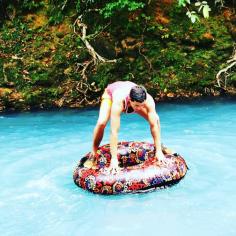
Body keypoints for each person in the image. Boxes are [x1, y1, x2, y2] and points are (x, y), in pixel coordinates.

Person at [91, 81, 165, 174]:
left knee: (156, 119)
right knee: (101, 122)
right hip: (110, 95)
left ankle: (159, 147)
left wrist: (158, 151)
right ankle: (93, 152)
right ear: (130, 99)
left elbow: (153, 125)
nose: (139, 108)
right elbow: (114, 132)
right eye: (137, 106)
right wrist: (114, 159)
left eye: (142, 105)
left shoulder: (148, 100)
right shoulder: (118, 101)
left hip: (129, 91)